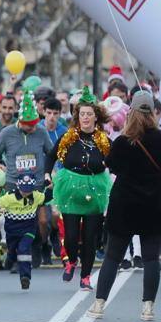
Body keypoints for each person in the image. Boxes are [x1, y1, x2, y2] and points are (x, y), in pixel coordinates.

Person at [87, 91, 161, 321]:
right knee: (151, 257)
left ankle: (99, 304)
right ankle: (148, 308)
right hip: (154, 202)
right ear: (153, 112)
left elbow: (111, 165)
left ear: (131, 112)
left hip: (125, 203)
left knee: (113, 257)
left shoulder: (123, 142)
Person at [48, 87, 111, 291]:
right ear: (78, 116)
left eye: (89, 114)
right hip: (71, 188)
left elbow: (116, 160)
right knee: (73, 235)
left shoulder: (103, 140)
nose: (85, 118)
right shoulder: (68, 137)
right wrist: (47, 174)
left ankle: (86, 276)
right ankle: (72, 260)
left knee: (91, 237)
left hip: (95, 189)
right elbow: (51, 155)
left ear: (95, 117)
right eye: (82, 114)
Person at [0, 91, 53, 191]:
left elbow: (51, 154)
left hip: (37, 185)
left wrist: (49, 173)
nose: (34, 128)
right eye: (30, 125)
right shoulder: (6, 133)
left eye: (35, 124)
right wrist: (1, 165)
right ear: (20, 122)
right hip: (13, 185)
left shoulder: (41, 131)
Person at [0, 176, 46, 290]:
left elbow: (47, 197)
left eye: (28, 190)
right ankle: (10, 258)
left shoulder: (36, 196)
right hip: (12, 231)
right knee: (12, 251)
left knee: (24, 249)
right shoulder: (9, 197)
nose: (26, 193)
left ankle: (25, 277)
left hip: (28, 229)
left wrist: (50, 186)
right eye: (24, 189)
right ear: (18, 187)